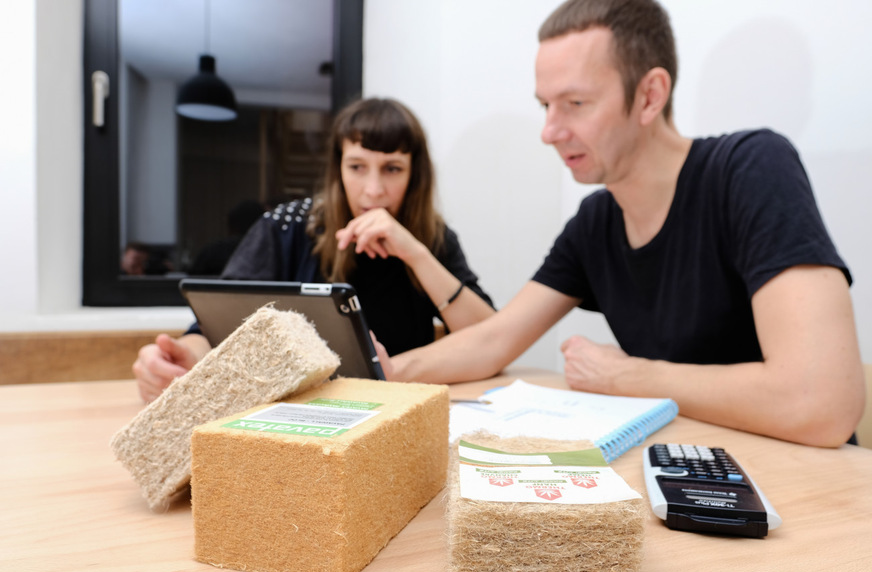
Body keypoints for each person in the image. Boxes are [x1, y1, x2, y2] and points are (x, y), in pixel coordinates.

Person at [382, 0, 865, 448]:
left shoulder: (750, 168)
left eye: (575, 104)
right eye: (545, 105)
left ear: (649, 96)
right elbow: (493, 340)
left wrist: (628, 376)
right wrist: (387, 372)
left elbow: (821, 402)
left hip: (803, 488)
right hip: (689, 467)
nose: (549, 132)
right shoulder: (597, 221)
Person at [133, 98, 495, 403]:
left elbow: (491, 339)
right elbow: (216, 326)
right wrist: (181, 359)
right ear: (337, 169)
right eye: (357, 167)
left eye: (392, 169)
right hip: (294, 410)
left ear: (415, 175)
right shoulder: (285, 227)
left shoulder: (432, 239)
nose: (373, 189)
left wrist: (416, 254)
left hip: (390, 409)